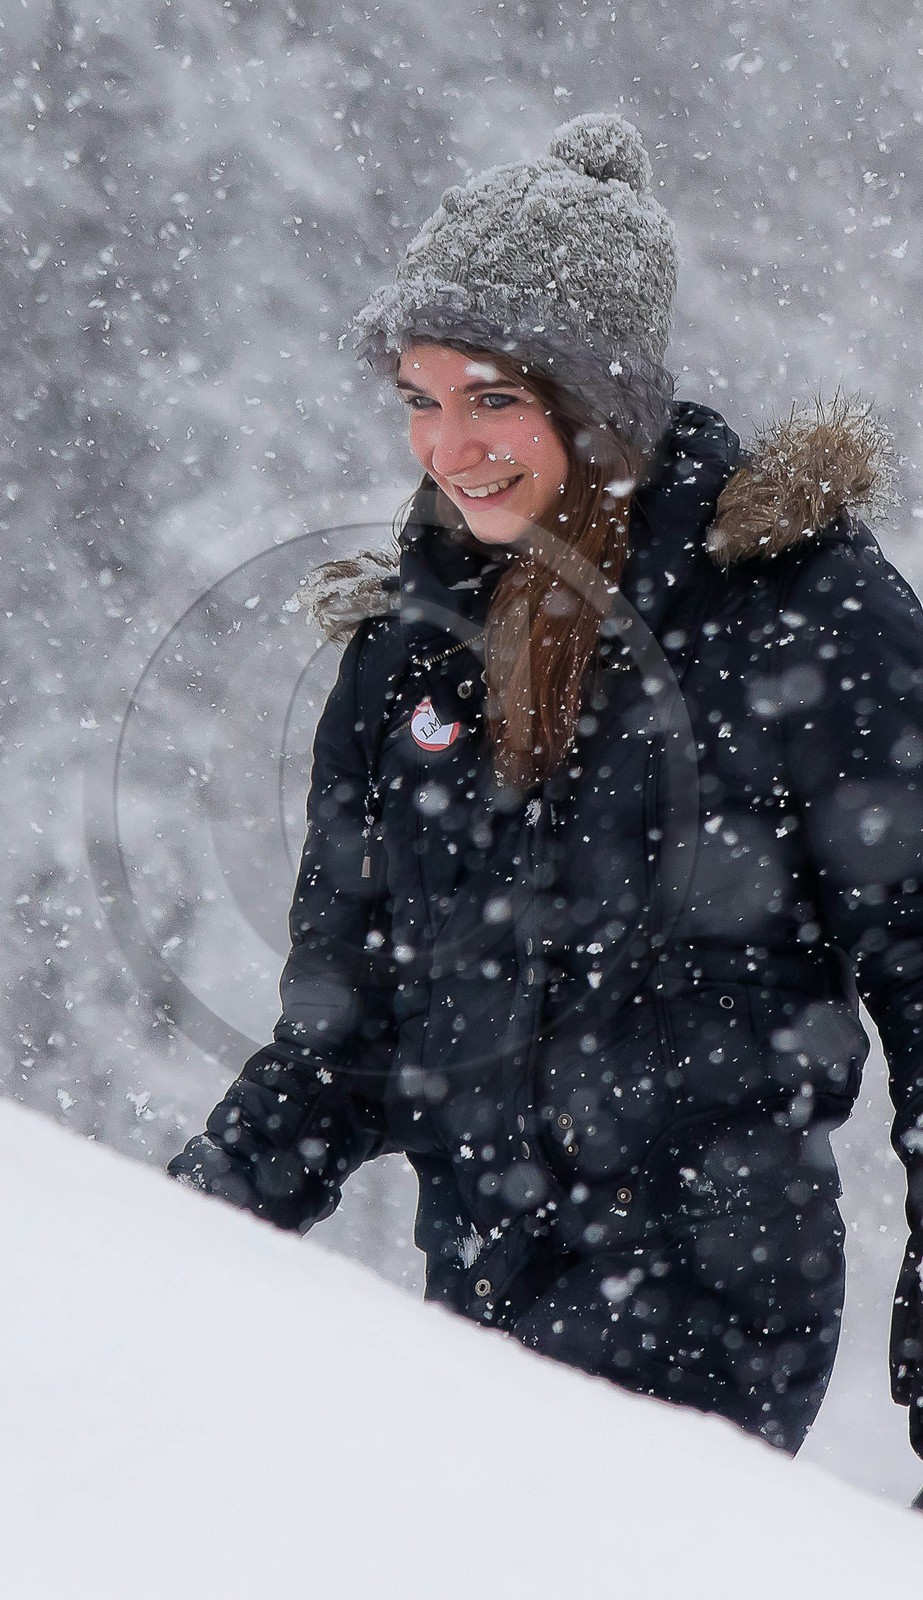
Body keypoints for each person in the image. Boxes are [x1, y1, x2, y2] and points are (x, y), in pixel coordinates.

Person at [168, 113, 923, 1460]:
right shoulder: (412, 653)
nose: (445, 448)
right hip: (474, 1335)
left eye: (493, 397)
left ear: (602, 399)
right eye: (418, 397)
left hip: (709, 1335)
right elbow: (347, 1034)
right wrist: (157, 1242)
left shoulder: (796, 614)